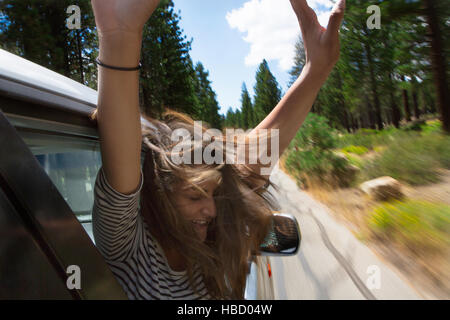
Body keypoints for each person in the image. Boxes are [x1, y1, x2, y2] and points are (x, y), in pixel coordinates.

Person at [89, 0, 345, 300]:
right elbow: (122, 185)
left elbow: (249, 164)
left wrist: (316, 70)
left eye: (212, 195)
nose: (210, 210)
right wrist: (119, 36)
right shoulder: (130, 248)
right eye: (194, 196)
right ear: (159, 196)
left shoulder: (208, 245)